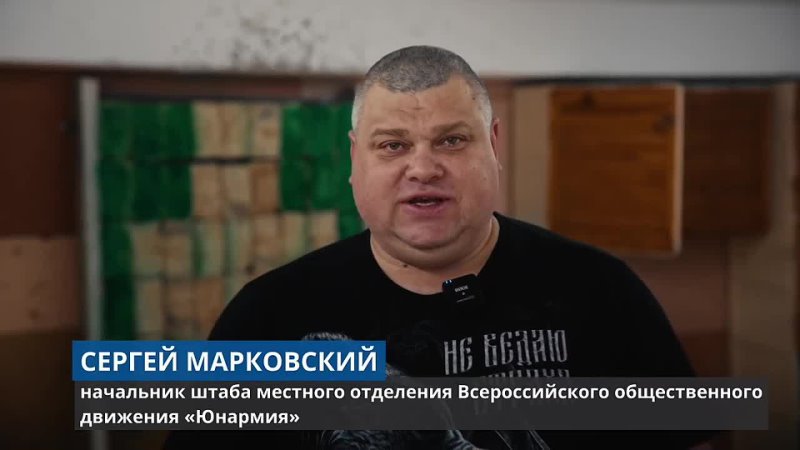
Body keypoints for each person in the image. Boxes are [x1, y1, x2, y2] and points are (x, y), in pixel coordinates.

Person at [163, 45, 715, 449]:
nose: (423, 168)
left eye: (451, 140)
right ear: (355, 159)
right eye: (392, 145)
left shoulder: (601, 292)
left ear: (493, 145)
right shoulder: (267, 318)